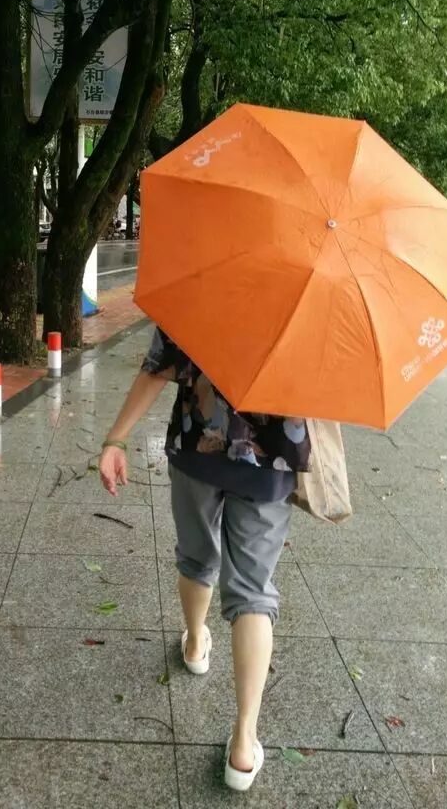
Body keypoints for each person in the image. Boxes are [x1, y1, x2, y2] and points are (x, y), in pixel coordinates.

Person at [99, 327, 311, 792]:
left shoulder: (204, 282)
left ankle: (196, 643)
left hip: (197, 449)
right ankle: (243, 742)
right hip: (271, 464)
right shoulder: (309, 305)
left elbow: (158, 367)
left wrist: (116, 439)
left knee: (195, 556)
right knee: (253, 592)